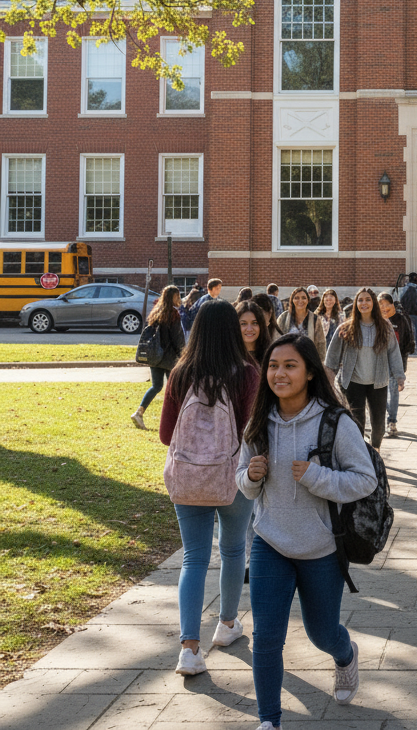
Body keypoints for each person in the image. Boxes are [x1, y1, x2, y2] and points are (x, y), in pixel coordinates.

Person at [237, 333, 377, 728]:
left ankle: (345, 654)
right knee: (266, 637)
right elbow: (241, 480)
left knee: (322, 633)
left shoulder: (335, 422)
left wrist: (317, 477)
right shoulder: (258, 421)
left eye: (290, 365)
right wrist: (249, 476)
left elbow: (364, 479)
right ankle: (269, 720)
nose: (278, 374)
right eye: (273, 366)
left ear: (311, 372)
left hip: (321, 548)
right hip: (270, 542)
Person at [158, 299, 259, 676]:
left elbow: (167, 434)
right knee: (233, 550)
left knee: (193, 558)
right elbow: (253, 430)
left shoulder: (180, 373)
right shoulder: (247, 373)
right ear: (233, 330)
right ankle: (227, 625)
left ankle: (188, 648)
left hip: (188, 479)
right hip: (233, 476)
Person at [324, 288, 405, 449]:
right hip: (353, 381)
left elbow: (393, 352)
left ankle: (376, 450)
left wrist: (399, 375)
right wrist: (329, 376)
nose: (364, 303)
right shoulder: (347, 327)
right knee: (357, 422)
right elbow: (332, 355)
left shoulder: (385, 327)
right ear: (356, 304)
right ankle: (359, 455)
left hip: (378, 382)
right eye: (360, 300)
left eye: (367, 299)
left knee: (379, 424)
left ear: (373, 303)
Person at [131, 284, 186, 430]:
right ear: (173, 297)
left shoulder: (156, 312)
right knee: (173, 389)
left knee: (156, 386)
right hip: (169, 358)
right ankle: (176, 420)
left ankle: (139, 412)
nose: (179, 299)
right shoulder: (173, 314)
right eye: (177, 296)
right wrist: (183, 355)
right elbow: (178, 339)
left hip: (155, 355)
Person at [378, 291, 414, 438]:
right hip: (377, 363)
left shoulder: (400, 319)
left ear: (393, 305)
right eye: (381, 305)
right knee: (380, 393)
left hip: (394, 362)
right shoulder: (375, 320)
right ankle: (381, 421)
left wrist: (402, 366)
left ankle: (391, 421)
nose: (385, 308)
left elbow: (407, 342)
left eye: (387, 304)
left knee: (392, 393)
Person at [277, 287, 327, 361]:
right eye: (296, 298)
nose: (300, 301)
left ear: (308, 300)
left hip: (308, 362)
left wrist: (319, 365)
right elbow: (276, 340)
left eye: (303, 298)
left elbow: (321, 344)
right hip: (287, 361)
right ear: (292, 300)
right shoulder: (283, 318)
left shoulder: (315, 319)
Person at [237, 300, 273, 366]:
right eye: (243, 324)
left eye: (255, 323)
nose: (249, 329)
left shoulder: (271, 355)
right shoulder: (230, 357)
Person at [399, 274, 417, 354]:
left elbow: (401, 300)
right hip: (416, 313)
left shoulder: (404, 289)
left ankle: (408, 345)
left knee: (408, 329)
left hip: (406, 313)